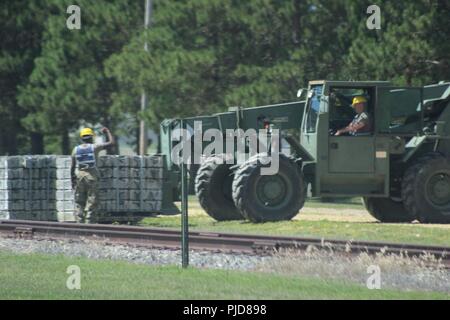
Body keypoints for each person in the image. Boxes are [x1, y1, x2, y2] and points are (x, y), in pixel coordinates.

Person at [71, 127, 115, 224]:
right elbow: (111, 143)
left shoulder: (75, 149)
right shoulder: (94, 147)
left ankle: (79, 223)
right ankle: (89, 223)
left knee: (79, 202)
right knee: (92, 201)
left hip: (79, 177)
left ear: (82, 138)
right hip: (91, 176)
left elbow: (72, 166)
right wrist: (107, 131)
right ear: (91, 137)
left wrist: (72, 180)